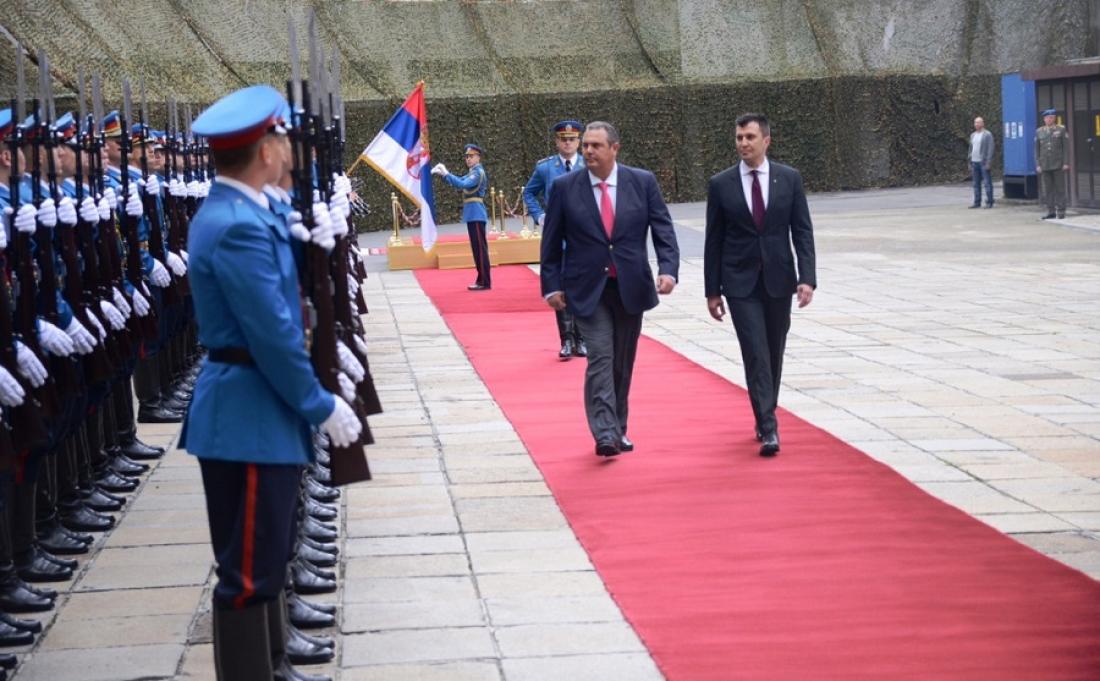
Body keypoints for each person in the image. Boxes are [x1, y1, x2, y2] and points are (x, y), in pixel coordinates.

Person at [182, 84, 360, 681]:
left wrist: (314, 221)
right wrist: (318, 403)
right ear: (265, 151)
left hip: (258, 406)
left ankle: (275, 662)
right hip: (248, 413)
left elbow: (282, 225)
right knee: (247, 571)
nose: (289, 149)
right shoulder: (236, 225)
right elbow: (273, 334)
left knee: (268, 553)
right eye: (282, 139)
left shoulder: (247, 211)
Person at [540, 121, 679, 457]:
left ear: (614, 148)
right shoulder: (564, 187)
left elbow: (662, 228)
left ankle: (619, 427)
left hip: (630, 286)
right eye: (586, 145)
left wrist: (668, 269)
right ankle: (604, 432)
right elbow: (551, 241)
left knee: (621, 361)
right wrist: (551, 286)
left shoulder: (642, 182)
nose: (588, 150)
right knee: (601, 356)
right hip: (588, 289)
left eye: (595, 145)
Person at [703, 113, 816, 457]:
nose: (743, 143)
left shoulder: (789, 179)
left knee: (773, 350)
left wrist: (807, 278)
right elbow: (713, 240)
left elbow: (802, 231)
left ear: (766, 141)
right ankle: (768, 426)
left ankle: (766, 408)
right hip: (740, 283)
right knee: (755, 352)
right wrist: (712, 291)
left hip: (779, 279)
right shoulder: (721, 184)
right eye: (739, 137)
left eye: (750, 137)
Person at [524, 120, 588, 359]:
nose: (568, 143)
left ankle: (582, 339)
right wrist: (540, 216)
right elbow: (529, 193)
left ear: (579, 141)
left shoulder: (588, 164)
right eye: (563, 139)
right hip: (558, 236)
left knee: (582, 288)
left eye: (572, 139)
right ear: (557, 141)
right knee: (559, 288)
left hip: (584, 237)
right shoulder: (546, 168)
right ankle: (566, 340)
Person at [432, 144, 491, 290]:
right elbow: (458, 180)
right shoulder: (472, 172)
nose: (468, 159)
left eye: (471, 156)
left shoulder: (478, 173)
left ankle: (484, 281)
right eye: (467, 157)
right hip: (473, 214)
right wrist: (444, 175)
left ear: (478, 157)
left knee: (480, 250)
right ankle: (481, 279)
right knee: (477, 250)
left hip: (476, 214)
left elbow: (462, 184)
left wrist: (446, 173)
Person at [1036, 108, 1068, 219]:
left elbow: (1065, 148)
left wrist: (1066, 162)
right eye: (1047, 118)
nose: (1049, 119)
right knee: (1048, 189)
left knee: (1060, 189)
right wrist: (1038, 164)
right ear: (1044, 119)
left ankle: (1061, 211)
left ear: (1054, 118)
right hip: (1045, 165)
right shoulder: (1039, 131)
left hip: (1058, 164)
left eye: (1051, 117)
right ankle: (1051, 211)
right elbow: (1037, 150)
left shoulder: (1061, 129)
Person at [968, 116, 994, 209]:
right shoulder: (972, 135)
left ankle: (989, 202)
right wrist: (969, 161)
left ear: (982, 123)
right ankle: (977, 202)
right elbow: (970, 149)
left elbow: (990, 148)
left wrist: (988, 162)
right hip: (974, 162)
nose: (976, 124)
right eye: (975, 122)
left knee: (987, 183)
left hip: (983, 162)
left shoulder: (987, 135)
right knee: (976, 183)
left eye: (978, 122)